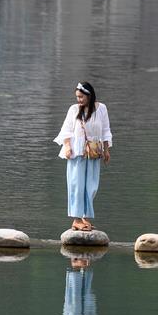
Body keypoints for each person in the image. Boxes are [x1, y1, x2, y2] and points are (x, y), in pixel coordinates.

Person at [54, 82, 112, 232]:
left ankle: (85, 217)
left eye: (81, 97)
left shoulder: (101, 109)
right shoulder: (74, 109)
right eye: (77, 97)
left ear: (89, 96)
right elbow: (66, 130)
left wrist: (106, 150)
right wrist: (67, 147)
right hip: (77, 151)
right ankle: (76, 219)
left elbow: (106, 130)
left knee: (91, 185)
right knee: (76, 184)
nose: (78, 100)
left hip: (93, 151)